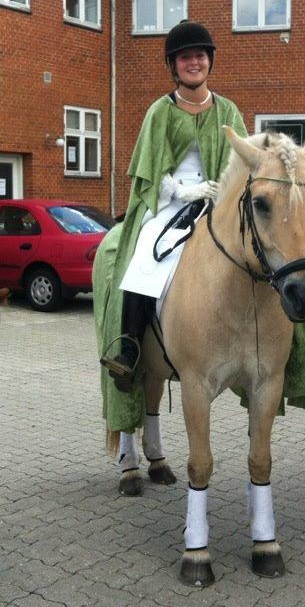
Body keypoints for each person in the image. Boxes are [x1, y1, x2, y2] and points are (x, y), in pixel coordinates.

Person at [93, 21, 248, 433]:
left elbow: (244, 164)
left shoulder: (228, 110)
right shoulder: (159, 112)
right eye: (185, 57)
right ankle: (128, 348)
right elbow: (149, 173)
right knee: (146, 251)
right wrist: (185, 191)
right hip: (169, 202)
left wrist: (219, 194)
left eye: (200, 55)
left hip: (217, 202)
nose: (194, 62)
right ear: (173, 66)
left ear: (209, 61)